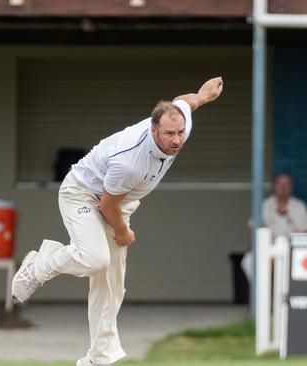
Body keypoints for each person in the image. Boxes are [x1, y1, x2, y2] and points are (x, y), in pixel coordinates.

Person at [11, 77, 224, 366]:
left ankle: (98, 358)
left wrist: (203, 95)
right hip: (83, 194)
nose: (176, 140)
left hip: (117, 200)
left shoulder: (179, 123)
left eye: (180, 133)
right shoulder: (131, 161)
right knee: (96, 259)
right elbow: (107, 204)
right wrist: (123, 232)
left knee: (111, 285)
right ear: (153, 130)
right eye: (169, 134)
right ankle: (39, 266)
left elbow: (186, 102)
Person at [241, 173, 307, 281]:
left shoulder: (299, 206)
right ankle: (261, 292)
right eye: (279, 183)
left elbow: (305, 232)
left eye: (287, 184)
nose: (283, 187)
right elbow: (252, 227)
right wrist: (251, 247)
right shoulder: (264, 205)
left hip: (291, 251)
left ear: (291, 187)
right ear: (274, 186)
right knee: (248, 261)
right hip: (267, 249)